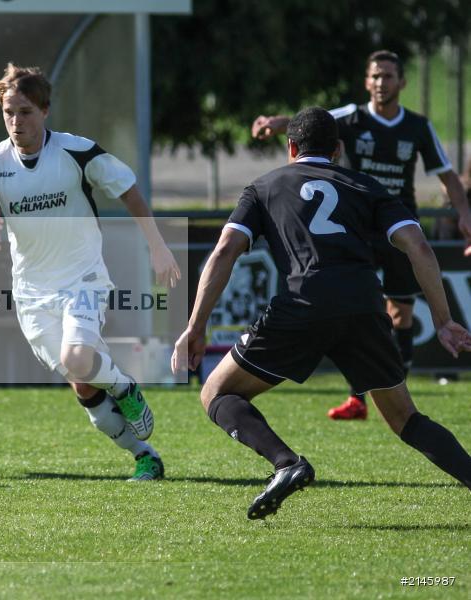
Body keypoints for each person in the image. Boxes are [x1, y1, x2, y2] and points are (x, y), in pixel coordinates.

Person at [173, 107, 471, 519]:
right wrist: (443, 320)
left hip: (303, 304)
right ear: (338, 150)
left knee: (217, 392)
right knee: (406, 419)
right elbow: (417, 245)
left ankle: (286, 463)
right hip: (364, 306)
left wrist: (195, 325)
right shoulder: (367, 186)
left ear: (290, 146)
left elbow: (225, 250)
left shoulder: (263, 187)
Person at [0, 64, 181, 481]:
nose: (15, 121)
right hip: (31, 293)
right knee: (81, 382)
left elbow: (128, 189)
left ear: (44, 111)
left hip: (83, 280)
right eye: (8, 111)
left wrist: (158, 246)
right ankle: (145, 456)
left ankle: (125, 387)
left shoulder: (77, 152)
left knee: (78, 358)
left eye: (24, 111)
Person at [252, 50, 471, 420]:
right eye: (374, 76)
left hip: (398, 226)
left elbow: (447, 175)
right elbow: (311, 124)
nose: (379, 83)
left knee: (399, 315)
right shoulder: (350, 117)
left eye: (387, 76)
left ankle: (394, 393)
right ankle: (358, 398)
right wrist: (278, 123)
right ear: (366, 82)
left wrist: (465, 212)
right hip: (355, 226)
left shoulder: (417, 127)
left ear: (401, 82)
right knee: (364, 306)